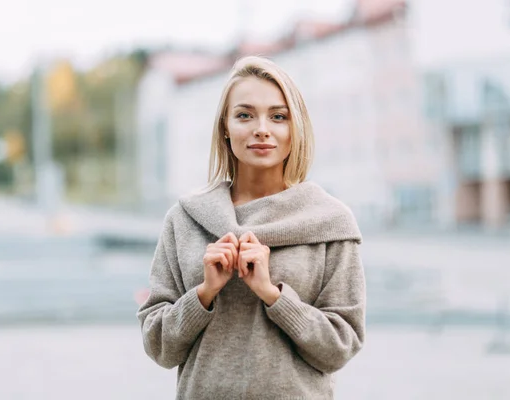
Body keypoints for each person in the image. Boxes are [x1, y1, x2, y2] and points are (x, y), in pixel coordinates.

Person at [137, 55, 365, 400]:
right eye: (244, 115)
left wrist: (272, 294)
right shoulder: (184, 219)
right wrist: (203, 294)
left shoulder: (330, 222)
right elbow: (158, 346)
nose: (262, 128)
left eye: (278, 116)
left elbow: (340, 346)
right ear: (225, 128)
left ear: (295, 128)